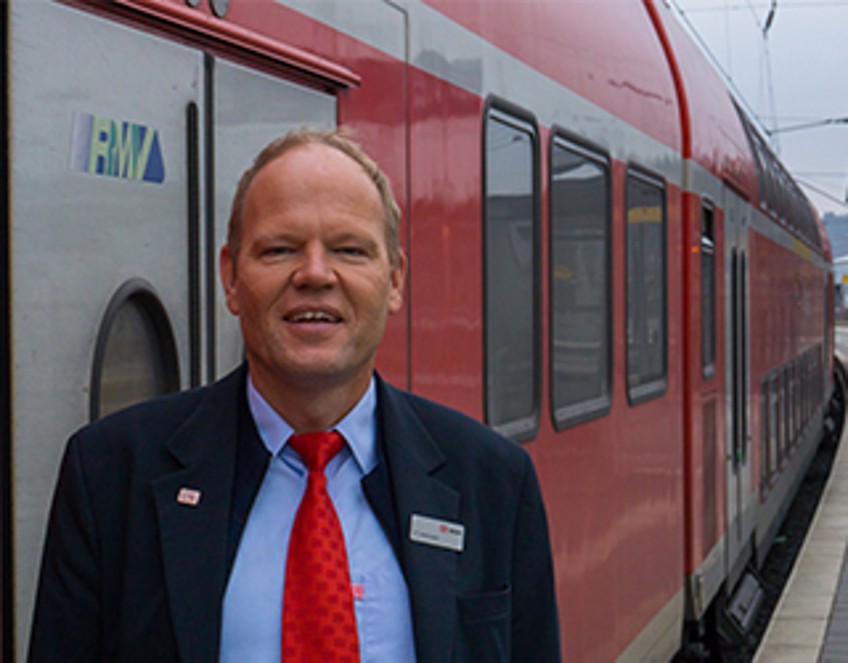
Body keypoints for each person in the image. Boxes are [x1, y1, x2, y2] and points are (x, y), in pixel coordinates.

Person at [28, 129, 561, 662]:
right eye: (279, 249)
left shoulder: (493, 482)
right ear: (231, 278)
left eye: (349, 250)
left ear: (394, 279)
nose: (314, 274)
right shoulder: (109, 475)